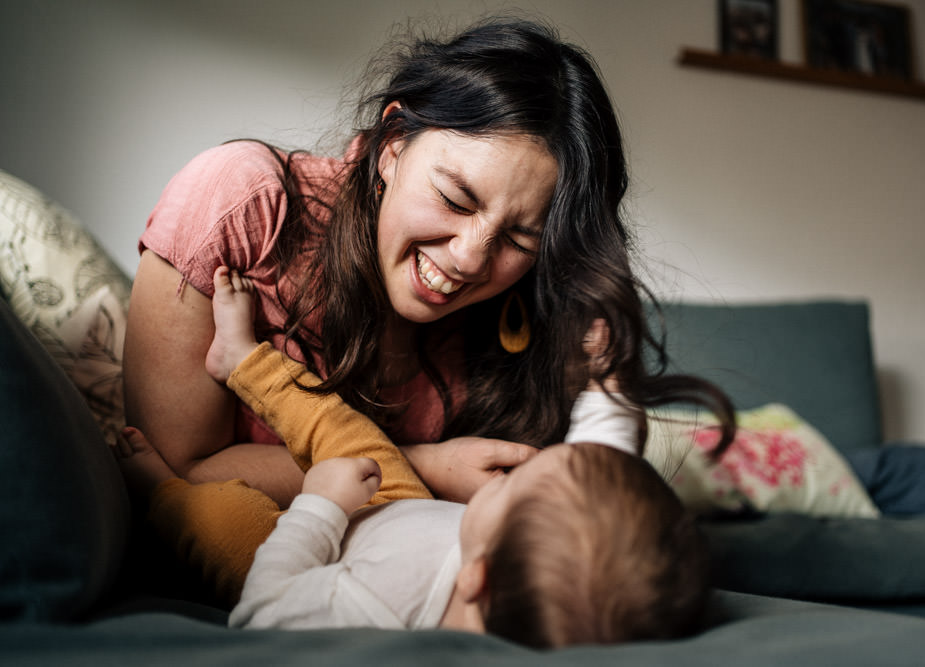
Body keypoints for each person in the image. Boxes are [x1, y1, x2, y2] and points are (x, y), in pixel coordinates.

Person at [122, 16, 734, 592]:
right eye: (455, 198)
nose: (470, 259)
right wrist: (427, 467)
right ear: (393, 143)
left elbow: (591, 492)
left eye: (522, 238)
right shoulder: (246, 204)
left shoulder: (531, 302)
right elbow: (180, 472)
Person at [115, 270, 708, 646]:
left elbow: (266, 615)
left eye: (504, 489)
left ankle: (161, 491)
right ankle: (242, 360)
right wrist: (605, 383)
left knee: (225, 522)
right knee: (340, 423)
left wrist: (320, 507)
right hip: (397, 500)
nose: (503, 482)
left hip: (309, 552)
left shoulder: (382, 609)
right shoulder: (553, 540)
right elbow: (599, 459)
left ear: (475, 577)